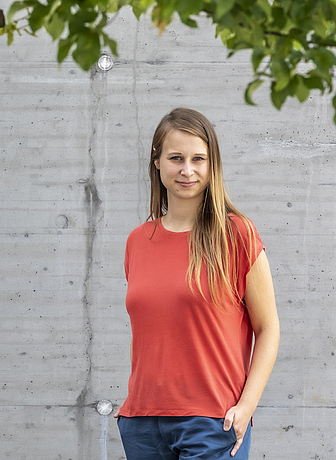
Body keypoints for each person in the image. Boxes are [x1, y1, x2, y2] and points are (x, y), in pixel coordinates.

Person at [115, 108, 280, 459]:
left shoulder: (236, 235)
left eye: (198, 159)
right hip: (142, 423)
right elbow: (149, 329)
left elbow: (268, 329)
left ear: (211, 165)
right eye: (176, 158)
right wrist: (132, 403)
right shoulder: (137, 241)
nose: (187, 170)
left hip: (212, 421)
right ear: (157, 161)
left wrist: (246, 407)